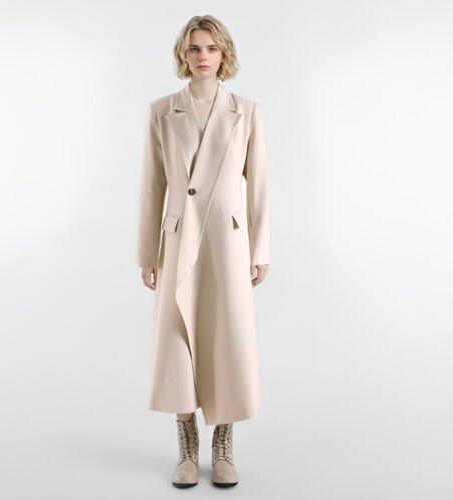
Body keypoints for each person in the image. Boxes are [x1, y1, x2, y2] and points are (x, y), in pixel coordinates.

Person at [136, 14, 270, 488]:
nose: (203, 57)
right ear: (183, 54)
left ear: (224, 53)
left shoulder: (245, 111)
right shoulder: (161, 110)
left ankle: (223, 444)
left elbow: (259, 186)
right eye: (194, 48)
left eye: (211, 48)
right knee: (178, 339)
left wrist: (260, 249)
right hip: (178, 241)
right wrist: (146, 253)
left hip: (227, 243)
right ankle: (187, 447)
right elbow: (152, 186)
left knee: (226, 337)